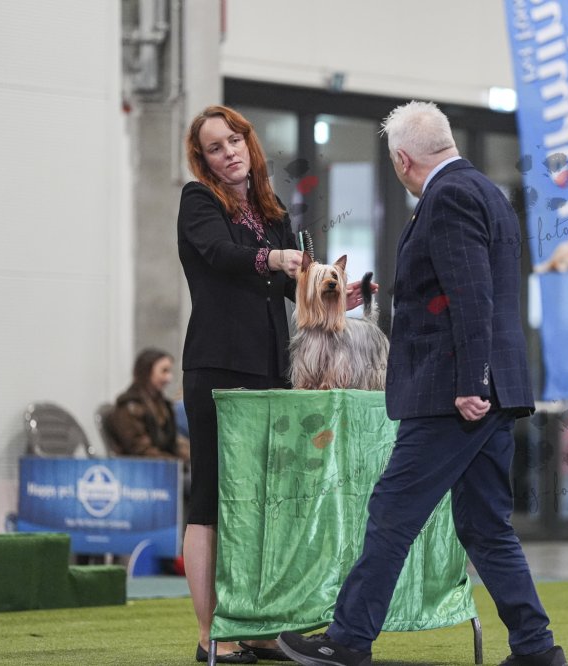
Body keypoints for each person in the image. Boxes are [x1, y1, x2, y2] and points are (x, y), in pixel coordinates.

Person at [278, 101, 567, 666]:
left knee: (392, 512)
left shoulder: (448, 197)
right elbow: (473, 289)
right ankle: (536, 649)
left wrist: (471, 382)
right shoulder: (488, 192)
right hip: (490, 392)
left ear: (403, 160)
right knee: (486, 527)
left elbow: (472, 297)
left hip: (454, 396)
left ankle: (347, 640)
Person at [178, 105, 371, 664]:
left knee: (263, 502)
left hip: (271, 370)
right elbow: (222, 255)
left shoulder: (273, 209)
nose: (228, 152)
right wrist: (275, 256)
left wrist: (336, 296)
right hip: (217, 367)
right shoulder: (198, 201)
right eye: (215, 147)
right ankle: (211, 634)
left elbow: (294, 289)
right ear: (203, 160)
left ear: (249, 142)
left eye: (234, 140)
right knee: (210, 502)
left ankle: (258, 626)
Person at [107, 348, 190, 462]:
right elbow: (140, 450)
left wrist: (191, 458)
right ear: (146, 372)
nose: (169, 378)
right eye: (164, 371)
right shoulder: (129, 407)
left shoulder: (163, 405)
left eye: (169, 371)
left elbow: (173, 444)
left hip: (162, 464)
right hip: (141, 469)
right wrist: (175, 462)